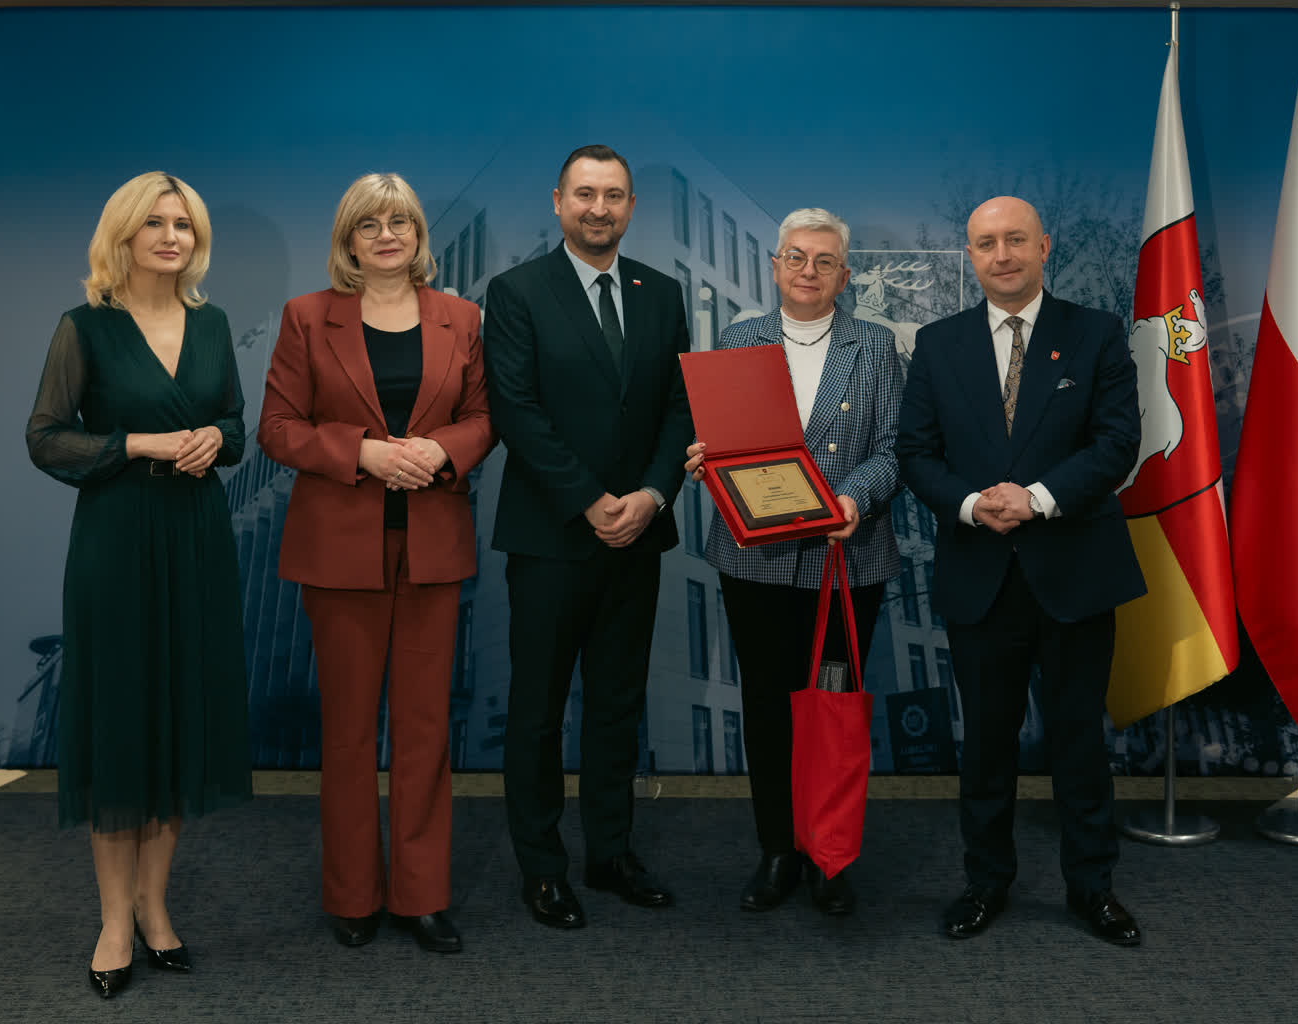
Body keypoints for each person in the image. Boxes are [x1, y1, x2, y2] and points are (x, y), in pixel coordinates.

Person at [895, 196, 1146, 946]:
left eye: (1014, 240)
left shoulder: (1096, 333)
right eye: (985, 243)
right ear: (969, 255)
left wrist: (1035, 498)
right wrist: (973, 504)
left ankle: (1093, 888)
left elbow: (1116, 442)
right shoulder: (938, 343)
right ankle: (985, 882)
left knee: (1078, 741)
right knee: (986, 745)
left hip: (1074, 572)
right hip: (980, 573)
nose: (1001, 255)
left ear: (1045, 245)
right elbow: (916, 453)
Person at [26, 171, 252, 998]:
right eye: (154, 223)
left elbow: (236, 426)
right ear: (122, 234)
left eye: (183, 224)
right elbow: (47, 438)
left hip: (196, 536)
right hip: (117, 539)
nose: (170, 237)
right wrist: (139, 445)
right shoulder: (84, 326)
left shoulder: (212, 323)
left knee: (178, 720)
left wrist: (214, 440)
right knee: (122, 724)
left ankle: (156, 909)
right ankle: (114, 922)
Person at [257, 173, 494, 952]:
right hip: (339, 551)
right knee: (350, 732)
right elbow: (277, 428)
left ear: (419, 234)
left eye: (400, 222)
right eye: (370, 224)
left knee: (425, 730)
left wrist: (440, 450)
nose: (387, 235)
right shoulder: (306, 317)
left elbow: (483, 417)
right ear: (349, 239)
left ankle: (421, 896)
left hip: (432, 546)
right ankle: (352, 894)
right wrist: (359, 452)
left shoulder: (461, 318)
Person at [482, 144, 693, 929]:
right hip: (551, 537)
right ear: (558, 201)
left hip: (638, 534)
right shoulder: (516, 291)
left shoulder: (661, 292)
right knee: (537, 714)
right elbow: (515, 409)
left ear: (631, 206)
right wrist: (592, 501)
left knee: (616, 707)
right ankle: (542, 869)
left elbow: (681, 407)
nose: (599, 208)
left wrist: (651, 495)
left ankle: (610, 853)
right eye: (585, 194)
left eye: (613, 195)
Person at [682, 208, 901, 916]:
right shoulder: (739, 338)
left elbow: (895, 448)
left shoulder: (876, 345)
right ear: (774, 266)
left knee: (831, 709)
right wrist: (705, 458)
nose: (809, 271)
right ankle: (778, 849)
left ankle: (828, 856)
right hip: (755, 558)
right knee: (768, 705)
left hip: (846, 558)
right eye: (796, 257)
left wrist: (854, 496)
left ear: (845, 275)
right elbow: (726, 439)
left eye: (825, 260)